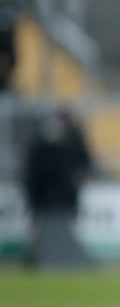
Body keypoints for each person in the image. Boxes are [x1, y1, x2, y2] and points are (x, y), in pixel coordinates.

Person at [22, 106, 94, 267]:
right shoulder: (45, 142)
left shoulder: (70, 139)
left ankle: (34, 258)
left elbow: (83, 162)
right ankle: (33, 258)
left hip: (59, 196)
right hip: (47, 197)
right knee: (42, 228)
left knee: (54, 227)